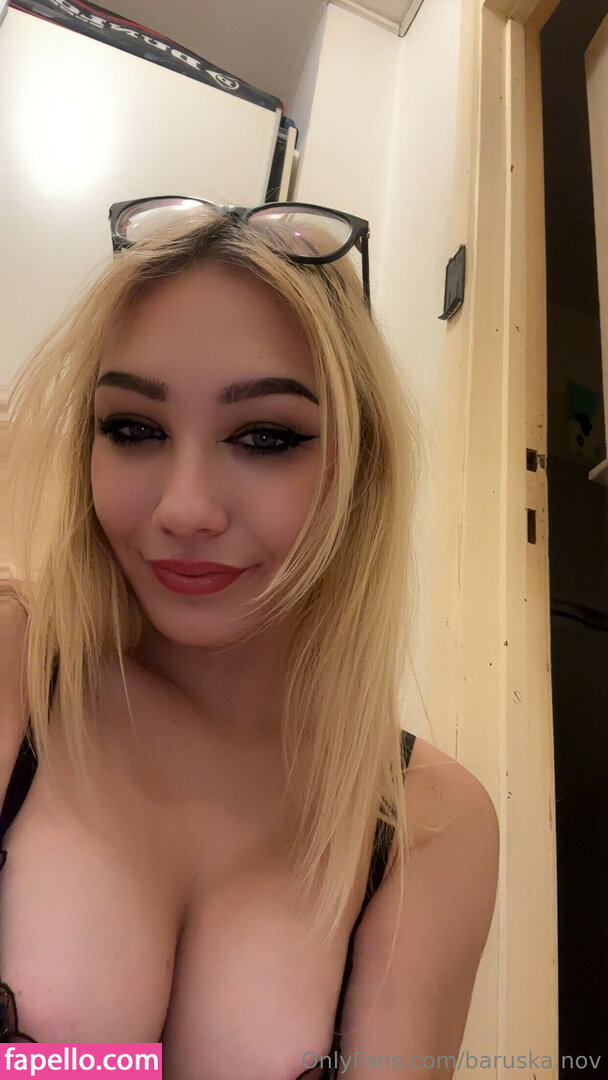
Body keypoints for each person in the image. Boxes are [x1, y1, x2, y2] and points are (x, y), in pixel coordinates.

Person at [1, 202, 499, 1078]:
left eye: (266, 437)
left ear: (358, 467)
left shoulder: (430, 825)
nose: (185, 507)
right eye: (134, 429)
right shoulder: (15, 672)